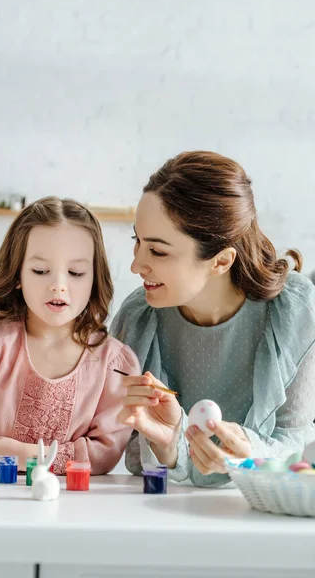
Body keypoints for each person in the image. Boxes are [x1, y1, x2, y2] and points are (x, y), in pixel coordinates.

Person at [111, 150, 315, 487]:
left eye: (158, 251)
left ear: (221, 261)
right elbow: (132, 452)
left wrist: (251, 453)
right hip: (162, 511)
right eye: (138, 241)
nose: (136, 265)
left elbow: (297, 440)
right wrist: (168, 446)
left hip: (262, 508)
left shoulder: (294, 311)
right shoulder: (137, 319)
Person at [0, 197, 139, 474]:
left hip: (67, 505)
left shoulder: (114, 362)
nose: (58, 285)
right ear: (18, 274)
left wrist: (26, 456)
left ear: (94, 278)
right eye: (41, 271)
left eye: (76, 272)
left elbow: (105, 451)